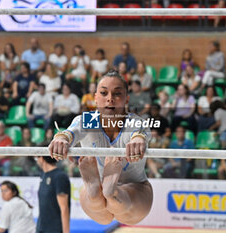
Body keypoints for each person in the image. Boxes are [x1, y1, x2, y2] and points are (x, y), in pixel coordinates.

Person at [48, 70, 153, 225]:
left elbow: (141, 131)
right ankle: (106, 191)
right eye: (104, 93)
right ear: (96, 98)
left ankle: (103, 192)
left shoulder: (135, 122)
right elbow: (71, 132)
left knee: (107, 212)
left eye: (117, 94)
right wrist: (61, 139)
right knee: (112, 212)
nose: (110, 99)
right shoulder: (87, 120)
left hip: (136, 187)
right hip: (121, 195)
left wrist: (138, 140)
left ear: (126, 99)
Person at [35, 156, 70, 233]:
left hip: (55, 229)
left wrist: (66, 231)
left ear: (41, 158)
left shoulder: (60, 177)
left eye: (36, 158)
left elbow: (64, 208)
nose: (36, 161)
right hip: (41, 228)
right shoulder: (43, 175)